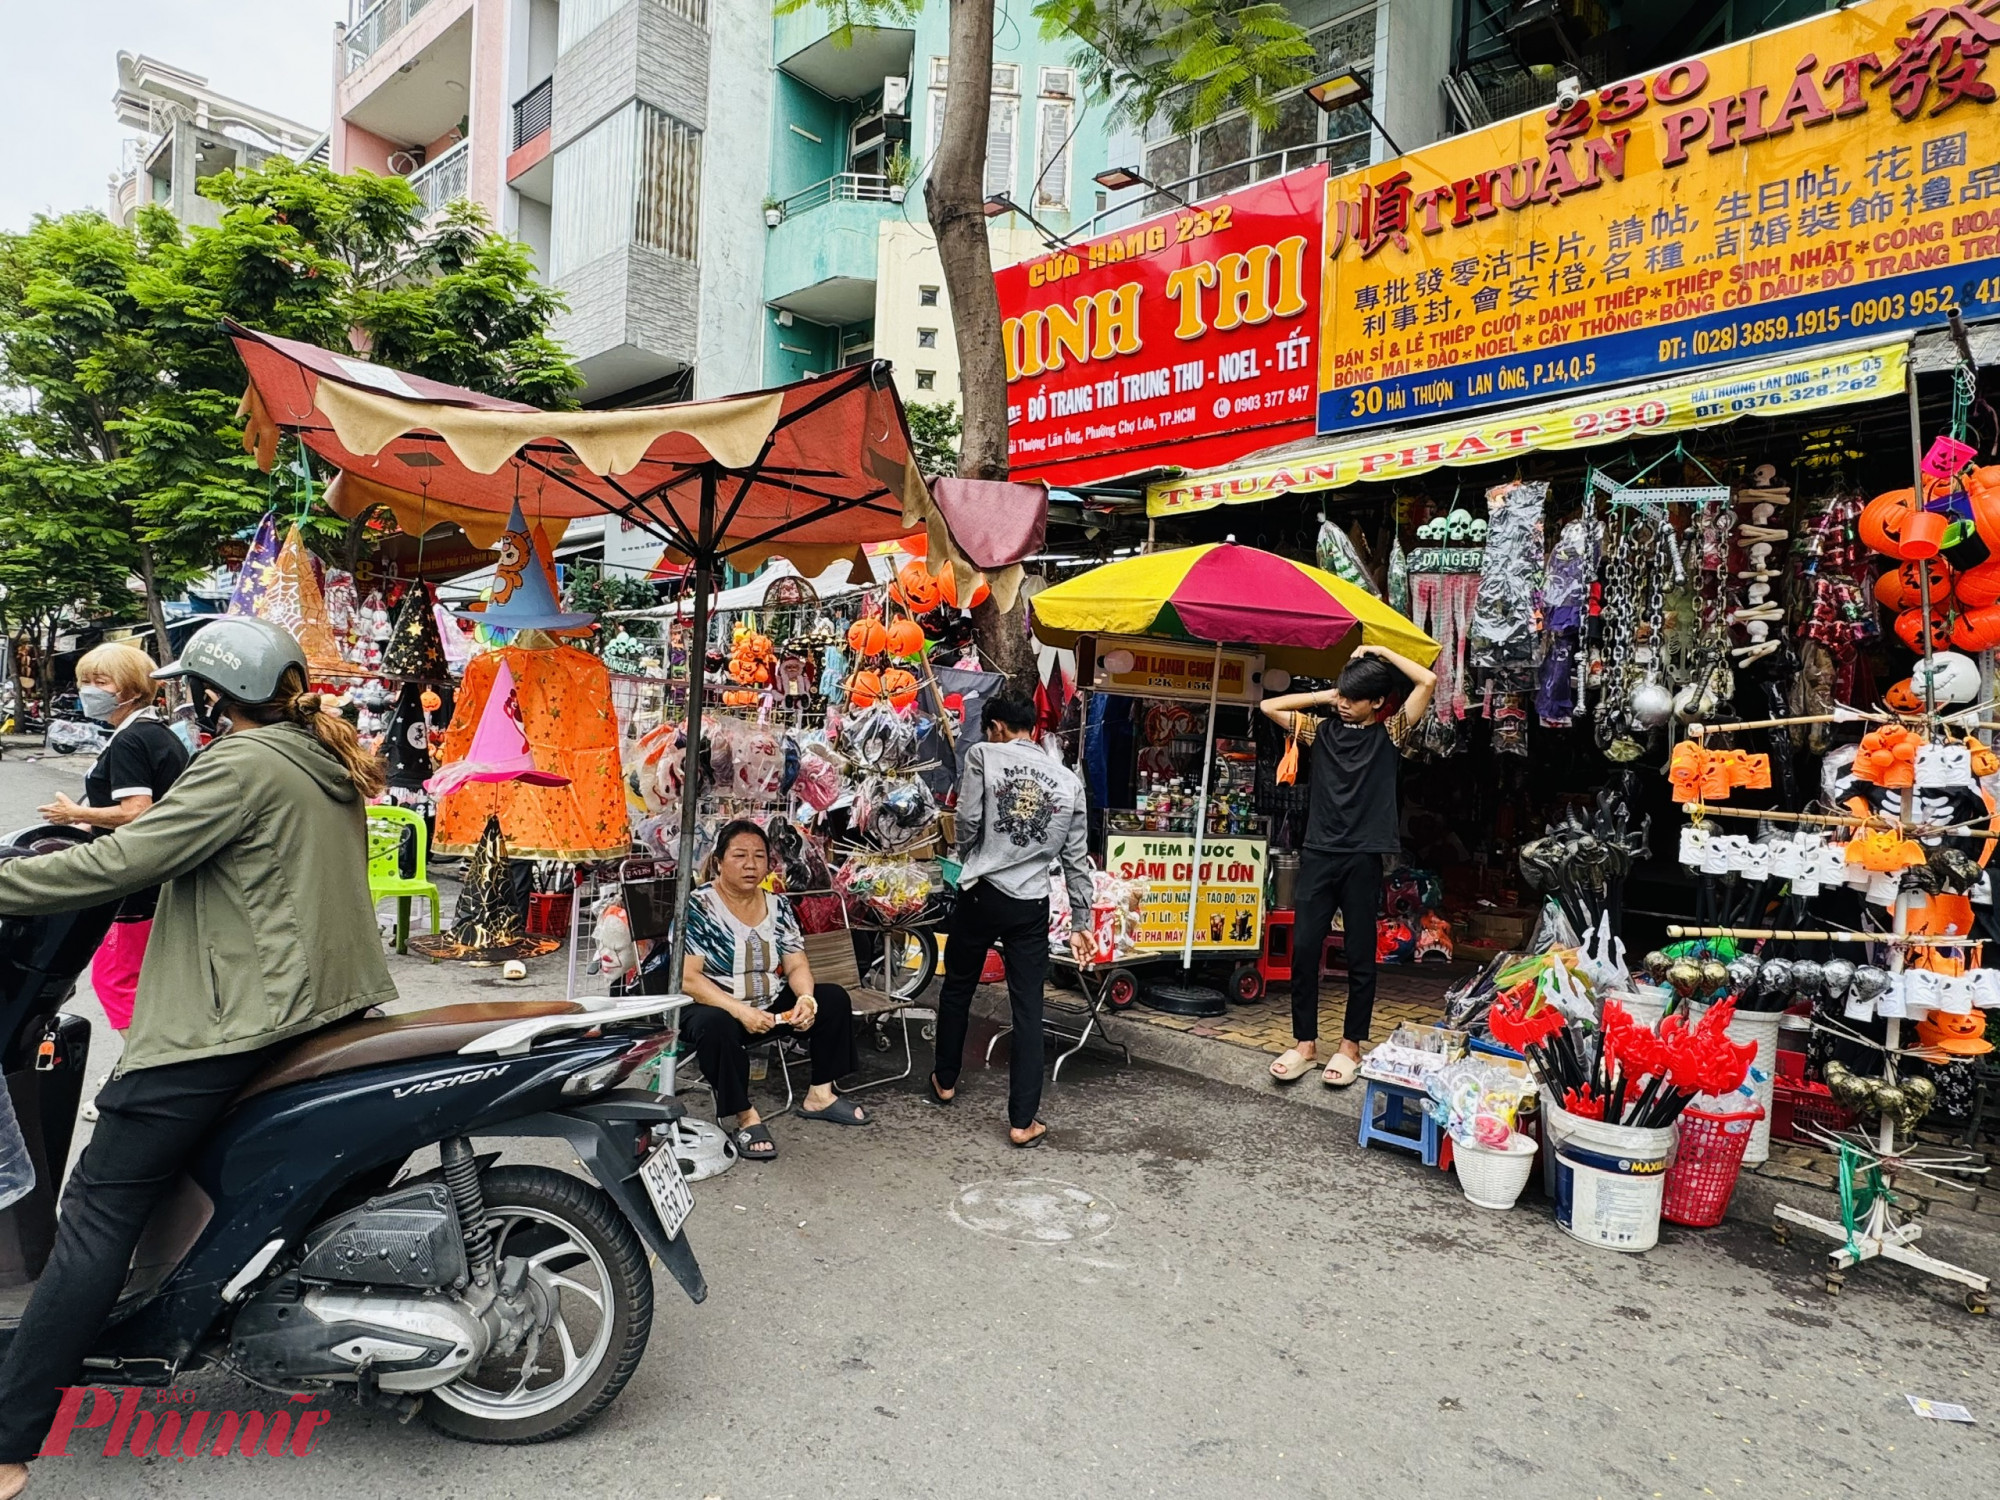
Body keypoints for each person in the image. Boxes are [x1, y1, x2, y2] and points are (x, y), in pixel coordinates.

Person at [0, 617, 395, 1493]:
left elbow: (125, 861)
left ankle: (11, 1438)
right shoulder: (318, 760)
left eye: (197, 690)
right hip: (318, 1006)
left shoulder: (243, 764)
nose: (192, 702)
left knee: (99, 1210)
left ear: (216, 695)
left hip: (234, 1019)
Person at [1259, 644, 1436, 1088]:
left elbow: (1427, 682)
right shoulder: (1321, 732)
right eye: (1342, 694)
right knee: (1303, 950)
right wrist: (1330, 693)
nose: (1343, 702)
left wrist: (1379, 651)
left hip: (1363, 857)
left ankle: (1350, 1046)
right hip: (1318, 852)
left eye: (1353, 697)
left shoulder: (1391, 733)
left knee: (1360, 956)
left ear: (1377, 702)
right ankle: (1304, 1044)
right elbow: (1268, 704)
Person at [931, 693, 1095, 1148]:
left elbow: (966, 819)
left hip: (981, 892)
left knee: (959, 984)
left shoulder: (984, 754)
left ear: (998, 727)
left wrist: (971, 857)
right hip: (1031, 902)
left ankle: (944, 1079)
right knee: (1029, 1008)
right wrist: (1081, 918)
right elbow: (1078, 858)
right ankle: (1023, 1121)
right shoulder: (1067, 780)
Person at [677, 820, 867, 1162]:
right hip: (716, 1005)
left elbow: (796, 965)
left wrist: (806, 998)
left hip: (767, 1003)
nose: (750, 864)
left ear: (769, 863)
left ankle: (820, 1095)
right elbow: (688, 979)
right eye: (739, 855)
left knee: (832, 999)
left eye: (759, 856)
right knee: (714, 1025)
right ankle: (744, 1115)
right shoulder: (699, 906)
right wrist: (740, 1011)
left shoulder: (778, 907)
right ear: (719, 861)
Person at [36, 643, 189, 1032]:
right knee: (148, 981)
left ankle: (143, 1071)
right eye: (84, 680)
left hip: (133, 880)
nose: (88, 689)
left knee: (116, 980)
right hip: (161, 876)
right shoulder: (157, 734)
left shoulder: (131, 740)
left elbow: (138, 810)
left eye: (99, 681)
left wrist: (76, 813)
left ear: (131, 689)